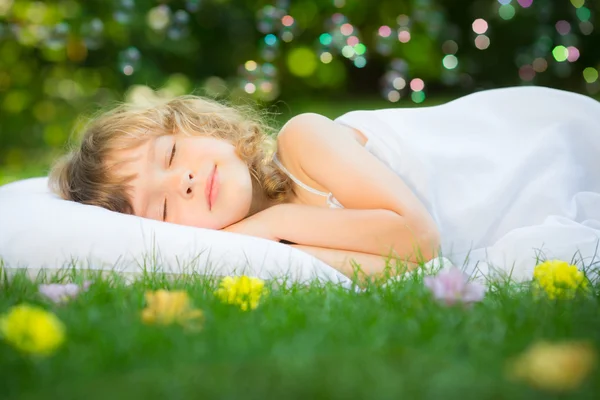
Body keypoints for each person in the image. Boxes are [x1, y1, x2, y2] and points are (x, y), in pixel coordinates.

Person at [49, 86, 600, 281]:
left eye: (170, 154)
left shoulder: (304, 140)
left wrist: (275, 223)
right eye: (164, 208)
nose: (185, 182)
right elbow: (413, 272)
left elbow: (418, 240)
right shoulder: (273, 253)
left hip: (544, 153)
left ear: (199, 126)